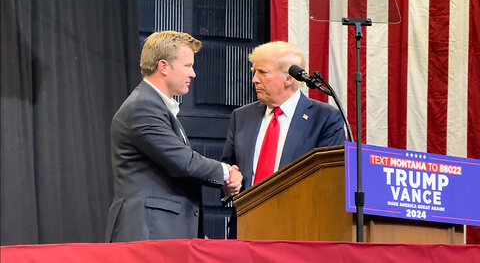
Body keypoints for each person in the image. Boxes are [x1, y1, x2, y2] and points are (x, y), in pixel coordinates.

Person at [105, 31, 242, 242]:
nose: (193, 74)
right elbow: (184, 162)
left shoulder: (155, 106)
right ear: (163, 66)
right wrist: (226, 174)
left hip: (162, 232)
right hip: (147, 233)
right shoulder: (143, 107)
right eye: (187, 66)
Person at [221, 41, 345, 238]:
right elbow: (229, 167)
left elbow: (329, 182)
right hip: (245, 228)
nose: (254, 79)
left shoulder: (325, 118)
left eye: (262, 72)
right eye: (254, 72)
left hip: (298, 229)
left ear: (288, 79)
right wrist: (227, 184)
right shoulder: (241, 116)